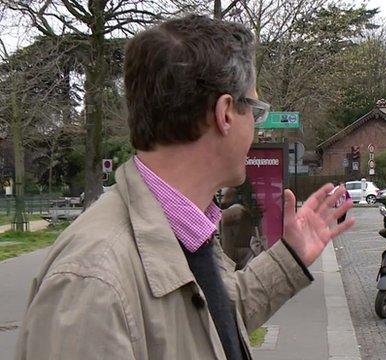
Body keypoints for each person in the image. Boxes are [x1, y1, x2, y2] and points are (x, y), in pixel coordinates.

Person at [15, 15, 354, 360]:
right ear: (224, 114)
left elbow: (208, 322)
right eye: (255, 109)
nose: (256, 125)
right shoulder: (92, 285)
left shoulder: (184, 228)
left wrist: (290, 256)